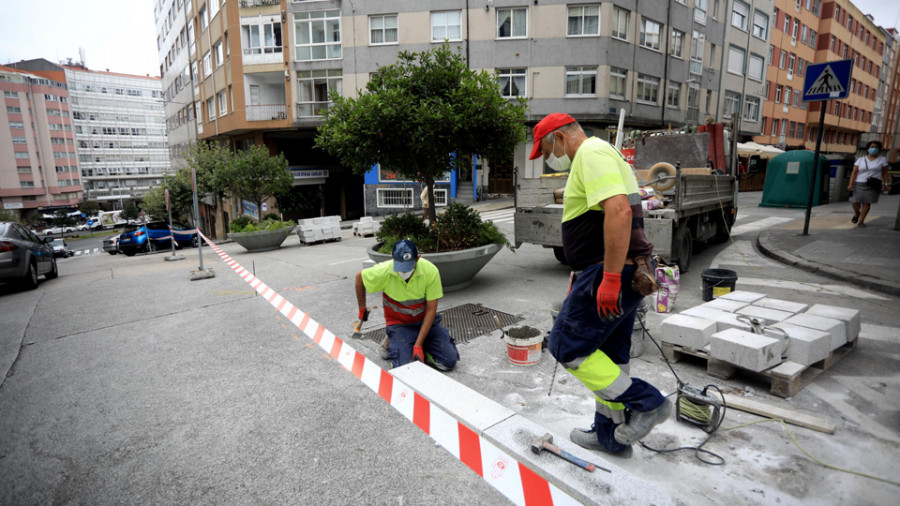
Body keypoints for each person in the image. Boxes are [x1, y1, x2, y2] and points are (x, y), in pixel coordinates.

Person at [530, 113, 671, 458]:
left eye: (548, 149)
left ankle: (648, 403)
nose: (551, 158)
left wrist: (607, 276)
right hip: (623, 271)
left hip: (612, 273)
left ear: (560, 137)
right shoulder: (605, 153)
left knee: (567, 345)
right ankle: (610, 436)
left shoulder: (591, 153)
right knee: (611, 357)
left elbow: (619, 212)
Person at [355, 239, 459, 370]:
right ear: (392, 257)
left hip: (425, 322)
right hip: (400, 325)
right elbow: (360, 278)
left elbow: (431, 310)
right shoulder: (384, 271)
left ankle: (420, 346)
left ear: (418, 259)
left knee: (448, 362)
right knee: (404, 368)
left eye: (408, 267)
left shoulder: (430, 272)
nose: (404, 272)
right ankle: (394, 340)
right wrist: (362, 308)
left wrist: (418, 346)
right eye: (401, 267)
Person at [848, 141, 891, 228]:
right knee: (855, 202)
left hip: (873, 184)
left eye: (876, 147)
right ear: (867, 148)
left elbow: (885, 173)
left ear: (879, 149)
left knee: (867, 203)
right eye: (872, 146)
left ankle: (861, 221)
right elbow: (854, 172)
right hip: (859, 183)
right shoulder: (860, 159)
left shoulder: (882, 160)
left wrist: (886, 183)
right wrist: (851, 183)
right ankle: (857, 213)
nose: (874, 148)